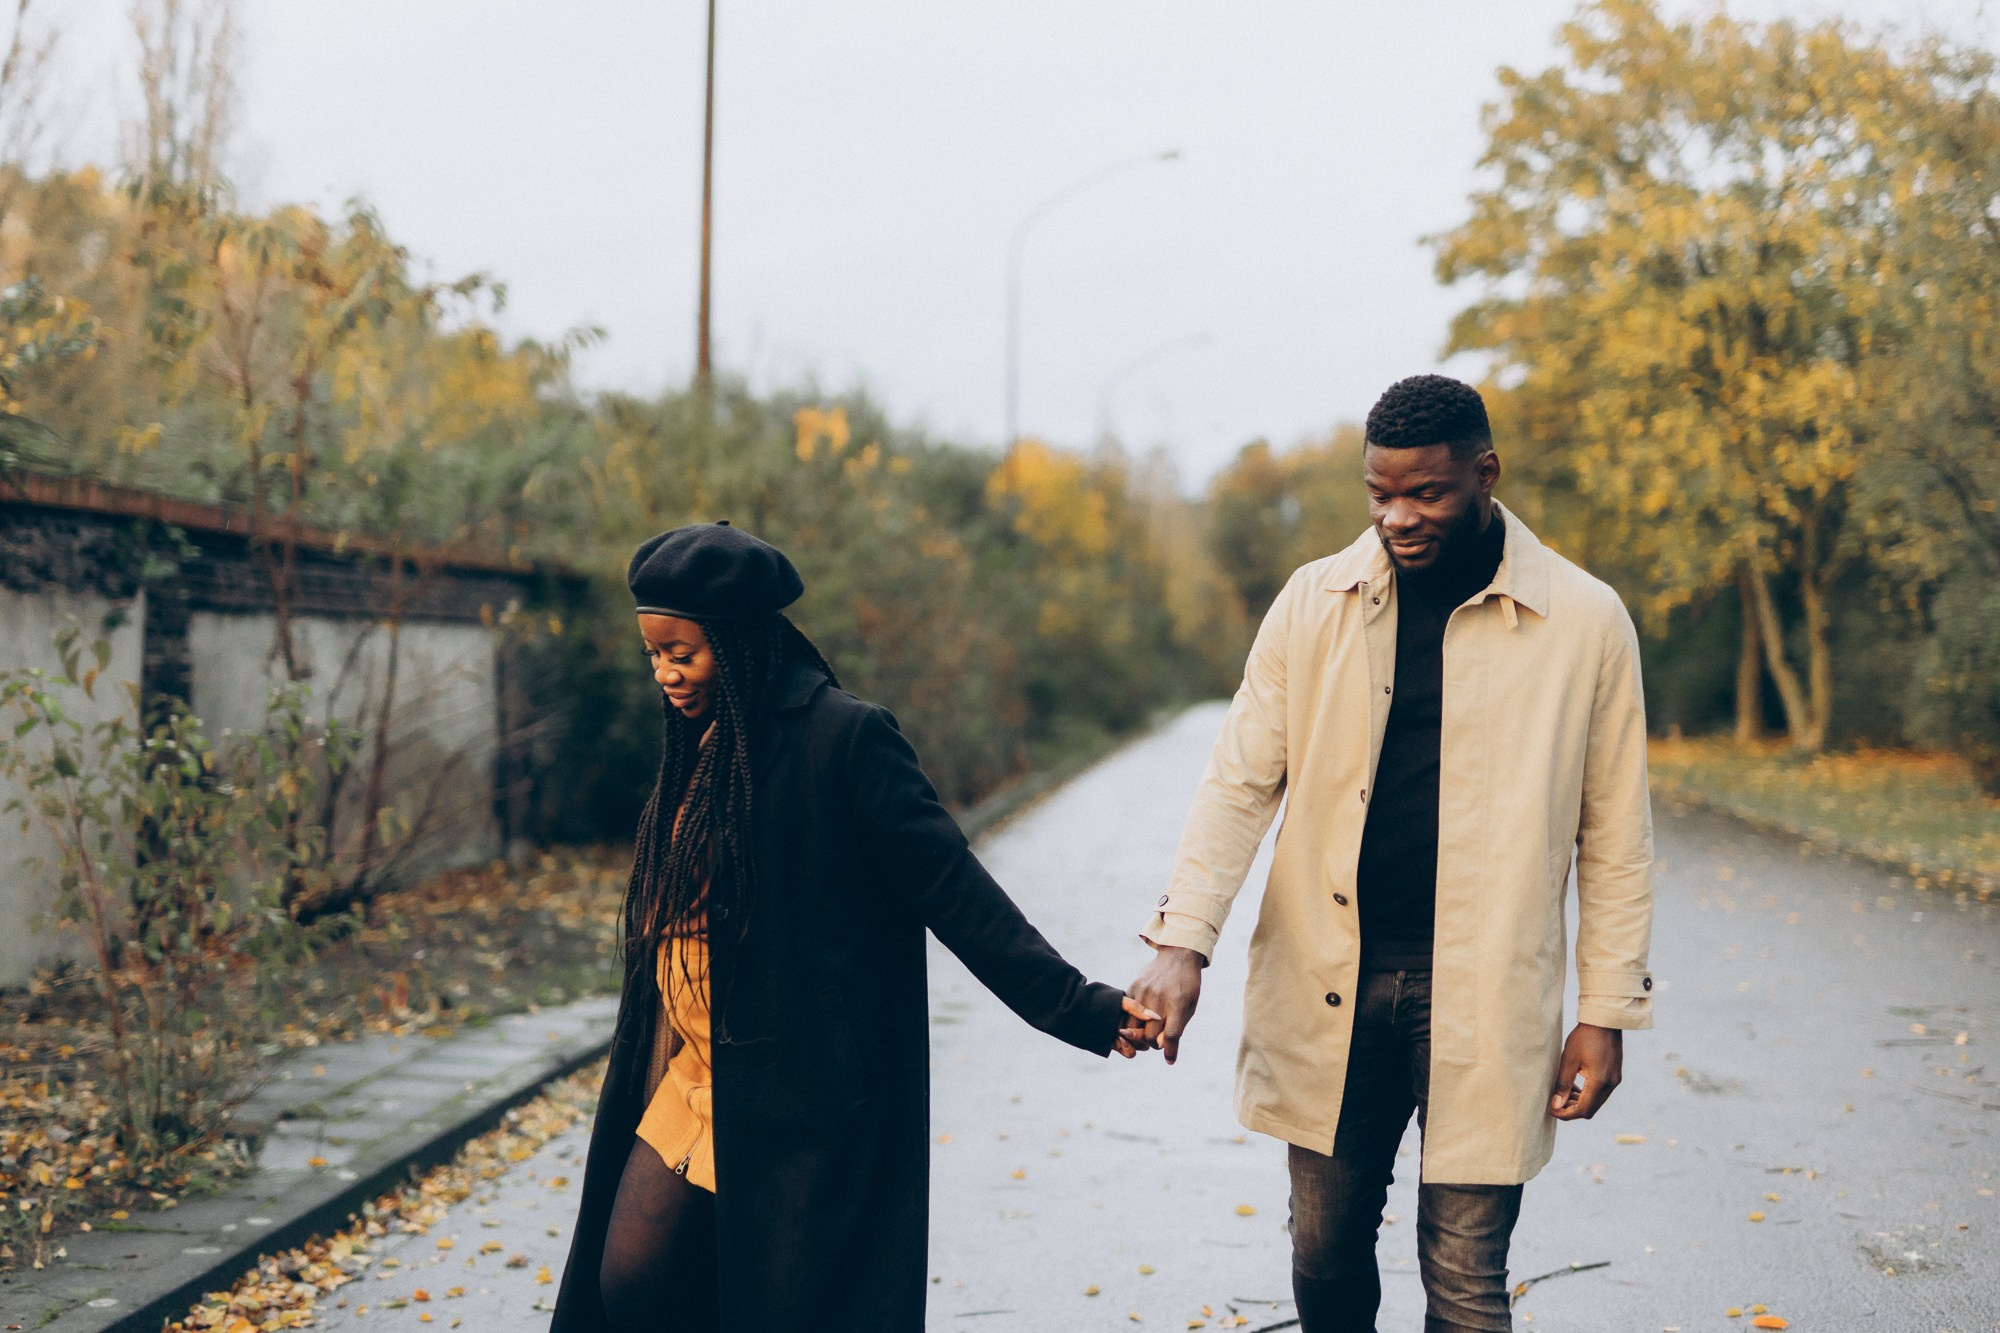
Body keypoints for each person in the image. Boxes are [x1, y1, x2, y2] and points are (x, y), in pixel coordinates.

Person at [1128, 375, 1655, 1332]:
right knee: (1323, 1261)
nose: (1397, 517)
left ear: (1485, 473)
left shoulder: (1584, 621)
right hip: (1328, 982)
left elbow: (1617, 838)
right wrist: (1182, 942)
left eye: (1427, 493)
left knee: (1466, 1285)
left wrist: (1608, 1009)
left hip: (1486, 993)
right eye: (1380, 494)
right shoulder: (1311, 603)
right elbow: (1239, 783)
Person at [550, 521, 1156, 1333]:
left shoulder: (845, 739)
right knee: (628, 1285)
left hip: (801, 1105)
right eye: (653, 653)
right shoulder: (698, 744)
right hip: (690, 1074)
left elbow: (956, 891)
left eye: (681, 654)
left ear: (733, 643)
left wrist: (1081, 1005)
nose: (665, 674)